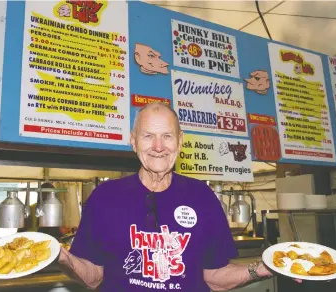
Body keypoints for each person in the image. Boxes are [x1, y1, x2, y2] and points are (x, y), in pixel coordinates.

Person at [58, 102, 273, 291]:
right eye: (148, 136)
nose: (158, 147)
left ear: (180, 141)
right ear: (134, 141)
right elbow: (93, 278)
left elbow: (215, 278)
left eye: (167, 136)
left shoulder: (202, 197)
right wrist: (62, 258)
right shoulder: (104, 197)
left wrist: (263, 269)